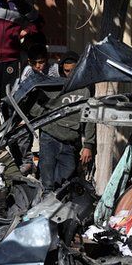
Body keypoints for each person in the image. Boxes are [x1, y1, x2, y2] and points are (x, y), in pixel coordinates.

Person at [38, 51, 95, 190]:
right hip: (49, 138)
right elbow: (37, 106)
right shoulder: (54, 86)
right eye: (66, 71)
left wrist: (88, 145)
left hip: (70, 143)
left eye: (73, 71)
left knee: (63, 184)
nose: (70, 74)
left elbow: (90, 117)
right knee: (47, 184)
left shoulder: (86, 89)